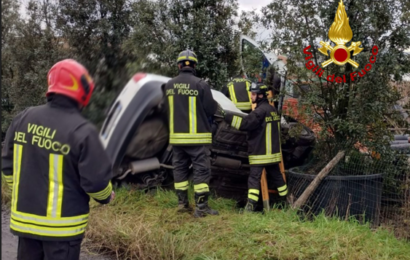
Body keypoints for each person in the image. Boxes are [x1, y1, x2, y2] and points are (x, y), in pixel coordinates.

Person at [1, 59, 115, 260]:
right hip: (62, 232)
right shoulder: (83, 130)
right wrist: (107, 196)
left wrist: (21, 192)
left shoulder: (23, 118)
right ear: (82, 90)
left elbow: (7, 165)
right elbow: (96, 183)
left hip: (24, 225)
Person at [164, 49, 219, 218]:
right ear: (194, 65)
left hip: (177, 138)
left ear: (179, 65)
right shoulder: (201, 84)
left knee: (179, 169)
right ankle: (201, 207)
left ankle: (182, 204)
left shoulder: (169, 85)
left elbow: (166, 110)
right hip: (197, 138)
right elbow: (211, 109)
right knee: (201, 170)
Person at [222, 82, 288, 212]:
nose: (251, 96)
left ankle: (250, 207)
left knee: (253, 179)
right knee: (278, 177)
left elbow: (244, 124)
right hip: (273, 154)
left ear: (260, 96)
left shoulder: (259, 112)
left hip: (260, 153)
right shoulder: (272, 110)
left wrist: (227, 116)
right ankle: (285, 202)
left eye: (253, 94)